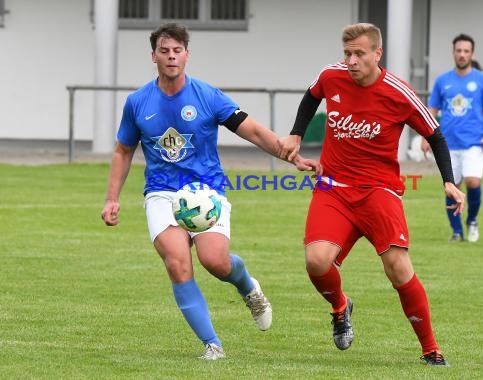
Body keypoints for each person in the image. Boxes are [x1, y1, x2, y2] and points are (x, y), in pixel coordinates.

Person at [100, 23, 319, 361]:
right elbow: (122, 151)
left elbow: (254, 132)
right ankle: (212, 344)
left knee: (214, 262)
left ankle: (248, 287)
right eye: (164, 51)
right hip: (162, 193)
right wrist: (112, 198)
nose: (171, 57)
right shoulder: (137, 102)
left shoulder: (208, 96)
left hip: (207, 191)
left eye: (177, 50)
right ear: (153, 56)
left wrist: (291, 156)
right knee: (177, 263)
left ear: (187, 55)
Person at [278, 23, 465, 366]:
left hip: (379, 190)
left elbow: (435, 136)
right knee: (316, 261)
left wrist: (448, 181)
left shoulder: (398, 92)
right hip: (333, 188)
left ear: (377, 54)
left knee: (397, 267)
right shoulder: (331, 75)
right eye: (347, 53)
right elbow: (312, 96)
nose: (351, 61)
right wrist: (296, 134)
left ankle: (430, 350)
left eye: (359, 54)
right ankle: (340, 307)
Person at [423, 34, 483, 243]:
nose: (462, 54)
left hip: (474, 142)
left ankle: (472, 220)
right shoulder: (442, 81)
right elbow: (431, 109)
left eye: (466, 51)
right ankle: (456, 231)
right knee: (451, 186)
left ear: (472, 54)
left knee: (473, 182)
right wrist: (426, 137)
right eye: (459, 51)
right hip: (447, 143)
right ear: (453, 52)